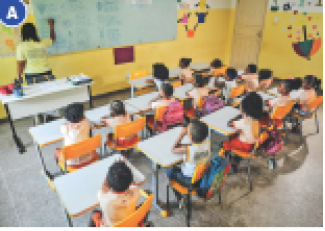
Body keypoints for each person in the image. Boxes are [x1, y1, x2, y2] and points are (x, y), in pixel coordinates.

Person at [166, 119, 210, 206]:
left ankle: (179, 197)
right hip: (202, 177)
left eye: (187, 131)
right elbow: (193, 146)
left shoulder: (188, 150)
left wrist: (181, 134)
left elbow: (173, 149)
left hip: (189, 180)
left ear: (191, 138)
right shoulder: (207, 143)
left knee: (169, 170)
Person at [92, 161, 141, 227]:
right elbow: (132, 183)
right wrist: (123, 171)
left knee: (94, 213)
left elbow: (104, 186)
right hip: (131, 225)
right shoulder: (135, 194)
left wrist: (112, 173)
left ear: (109, 180)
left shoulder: (102, 196)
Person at [223, 92, 263, 173]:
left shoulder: (244, 121)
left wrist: (237, 117)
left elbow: (230, 124)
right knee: (233, 136)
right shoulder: (256, 119)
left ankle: (232, 161)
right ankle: (236, 158)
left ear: (245, 109)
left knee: (223, 143)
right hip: (254, 145)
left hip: (245, 146)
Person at [56, 103, 96, 167]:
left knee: (57, 151)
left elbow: (61, 127)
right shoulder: (86, 122)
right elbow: (86, 120)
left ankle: (62, 172)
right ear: (82, 115)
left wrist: (69, 123)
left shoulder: (65, 128)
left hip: (71, 162)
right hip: (89, 158)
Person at [17, 20, 56, 85]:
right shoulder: (43, 42)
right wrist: (51, 26)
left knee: (36, 93)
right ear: (34, 32)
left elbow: (20, 64)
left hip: (31, 74)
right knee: (50, 91)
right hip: (46, 71)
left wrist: (18, 76)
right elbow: (52, 39)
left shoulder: (21, 46)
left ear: (23, 33)